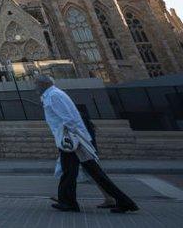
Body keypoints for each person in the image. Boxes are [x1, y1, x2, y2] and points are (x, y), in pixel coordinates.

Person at [35, 74, 138, 214]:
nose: (35, 87)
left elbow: (68, 118)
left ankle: (122, 201)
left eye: (36, 84)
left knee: (85, 173)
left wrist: (73, 137)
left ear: (43, 84)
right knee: (73, 172)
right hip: (71, 140)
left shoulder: (54, 96)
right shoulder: (51, 95)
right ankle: (68, 202)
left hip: (73, 141)